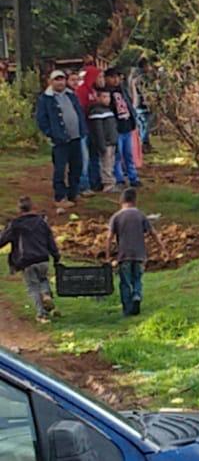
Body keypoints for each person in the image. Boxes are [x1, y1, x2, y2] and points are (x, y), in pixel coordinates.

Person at [104, 188, 167, 316]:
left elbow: (109, 237)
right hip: (139, 255)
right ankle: (137, 295)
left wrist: (107, 255)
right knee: (137, 279)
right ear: (135, 201)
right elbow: (153, 233)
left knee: (125, 282)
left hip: (124, 256)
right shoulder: (141, 215)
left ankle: (127, 309)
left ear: (121, 201)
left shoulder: (116, 217)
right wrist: (163, 249)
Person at [0, 197, 60, 323]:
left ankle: (41, 314)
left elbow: (3, 239)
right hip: (43, 258)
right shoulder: (41, 222)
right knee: (43, 279)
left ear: (19, 209)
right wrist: (56, 257)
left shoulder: (15, 224)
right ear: (33, 207)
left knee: (33, 287)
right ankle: (46, 294)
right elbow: (51, 241)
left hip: (26, 260)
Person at [34, 69, 88, 210]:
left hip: (76, 137)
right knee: (60, 169)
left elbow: (79, 112)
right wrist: (51, 134)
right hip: (60, 140)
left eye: (62, 79)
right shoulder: (45, 99)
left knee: (77, 167)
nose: (60, 82)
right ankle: (60, 197)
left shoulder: (71, 95)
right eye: (57, 79)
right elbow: (41, 119)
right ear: (51, 82)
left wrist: (82, 129)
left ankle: (73, 193)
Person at [104, 67, 141, 189]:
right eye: (112, 77)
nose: (116, 80)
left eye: (117, 77)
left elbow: (129, 105)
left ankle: (133, 177)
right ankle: (119, 178)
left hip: (127, 126)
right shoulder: (106, 93)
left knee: (128, 155)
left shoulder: (122, 91)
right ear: (107, 78)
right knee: (117, 156)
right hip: (116, 129)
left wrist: (132, 121)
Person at [86, 89, 120, 193]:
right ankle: (108, 184)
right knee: (106, 164)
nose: (107, 100)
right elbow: (98, 130)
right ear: (98, 97)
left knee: (111, 163)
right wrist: (102, 145)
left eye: (108, 97)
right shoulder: (96, 111)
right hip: (105, 143)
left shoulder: (108, 110)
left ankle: (111, 182)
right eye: (104, 97)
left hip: (112, 142)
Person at [128, 58, 153, 152]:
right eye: (148, 65)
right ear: (144, 66)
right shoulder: (142, 77)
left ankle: (145, 144)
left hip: (136, 104)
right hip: (143, 104)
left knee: (142, 126)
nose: (150, 68)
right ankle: (143, 144)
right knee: (146, 125)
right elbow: (145, 92)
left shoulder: (133, 76)